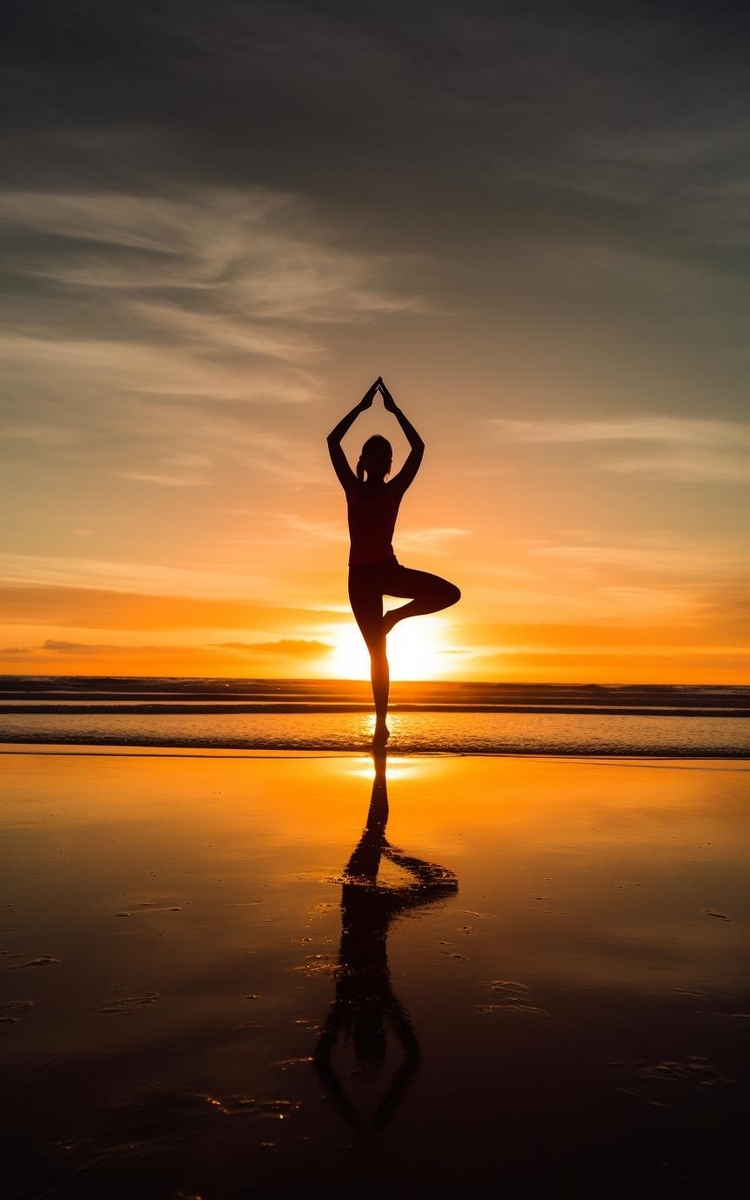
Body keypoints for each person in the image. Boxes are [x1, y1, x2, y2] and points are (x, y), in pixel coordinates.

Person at [327, 377, 460, 747]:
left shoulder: (394, 489)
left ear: (388, 464)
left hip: (388, 570)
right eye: (374, 454)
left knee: (450, 593)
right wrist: (361, 406)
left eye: (385, 456)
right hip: (360, 579)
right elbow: (332, 442)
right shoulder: (352, 488)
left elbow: (418, 447)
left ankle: (395, 618)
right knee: (377, 654)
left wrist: (396, 411)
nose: (380, 459)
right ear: (364, 461)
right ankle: (381, 724)